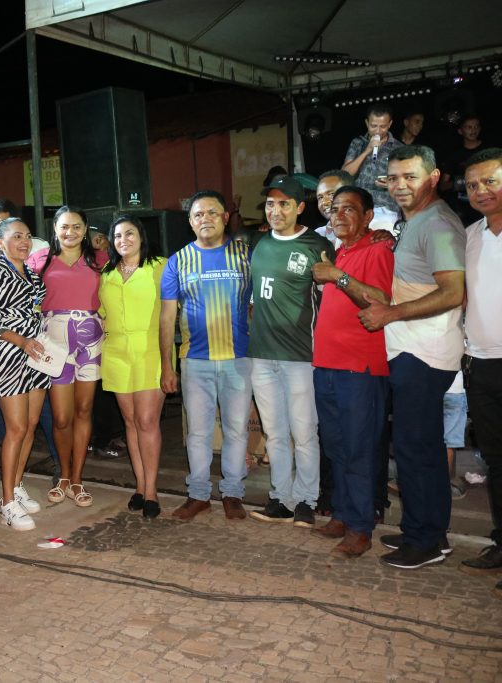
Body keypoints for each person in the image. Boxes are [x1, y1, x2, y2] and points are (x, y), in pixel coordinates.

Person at [357, 146, 466, 570]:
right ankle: (423, 528)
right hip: (411, 349)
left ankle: (427, 541)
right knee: (416, 447)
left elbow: (453, 292)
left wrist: (391, 313)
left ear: (433, 177)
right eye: (394, 177)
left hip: (424, 352)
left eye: (411, 176)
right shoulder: (417, 221)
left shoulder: (437, 223)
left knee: (417, 449)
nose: (400, 185)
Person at [310, 186, 395, 557]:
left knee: (359, 449)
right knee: (336, 446)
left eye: (349, 209)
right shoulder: (339, 250)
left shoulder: (378, 249)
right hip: (326, 365)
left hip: (360, 368)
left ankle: (361, 527)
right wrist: (335, 269)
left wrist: (336, 276)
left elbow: (380, 300)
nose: (339, 215)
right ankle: (343, 514)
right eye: (334, 209)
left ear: (368, 216)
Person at [161, 190, 253, 521]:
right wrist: (167, 365)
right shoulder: (177, 261)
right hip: (195, 361)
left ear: (226, 217)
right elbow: (166, 318)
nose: (205, 219)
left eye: (212, 212)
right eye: (198, 214)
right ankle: (198, 494)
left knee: (236, 430)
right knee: (198, 433)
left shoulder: (246, 256)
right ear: (190, 222)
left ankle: (232, 493)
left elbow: (259, 305)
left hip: (239, 359)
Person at [247, 176, 333, 529]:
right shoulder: (258, 243)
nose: (275, 210)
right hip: (261, 355)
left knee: (305, 433)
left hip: (300, 356)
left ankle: (307, 500)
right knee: (275, 433)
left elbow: (330, 303)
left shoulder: (317, 245)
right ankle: (280, 498)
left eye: (284, 204)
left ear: (299, 207)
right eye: (270, 204)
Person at [28, 206, 107, 508]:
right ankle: (62, 474)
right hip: (54, 341)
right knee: (61, 417)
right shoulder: (40, 259)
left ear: (86, 229)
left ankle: (76, 479)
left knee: (84, 410)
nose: (70, 232)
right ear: (55, 229)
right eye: (64, 226)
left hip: (90, 340)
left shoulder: (100, 259)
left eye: (76, 226)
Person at [0, 217, 52, 531]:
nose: (24, 241)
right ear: (0, 242)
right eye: (17, 236)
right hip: (9, 356)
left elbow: (37, 312)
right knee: (16, 428)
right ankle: (7, 502)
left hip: (35, 357)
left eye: (28, 236)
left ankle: (17, 485)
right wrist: (22, 341)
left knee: (31, 424)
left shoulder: (33, 275)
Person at [98, 214, 167, 517]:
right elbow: (102, 313)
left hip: (151, 350)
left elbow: (173, 309)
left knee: (147, 421)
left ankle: (151, 491)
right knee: (130, 422)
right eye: (117, 235)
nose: (123, 240)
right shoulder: (107, 272)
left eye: (129, 234)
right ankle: (140, 486)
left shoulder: (161, 266)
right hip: (116, 352)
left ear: (141, 236)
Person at [457, 148, 502, 594]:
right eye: (472, 185)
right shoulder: (470, 235)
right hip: (481, 366)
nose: (481, 191)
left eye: (491, 181)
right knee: (497, 462)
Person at [342, 104, 403, 232]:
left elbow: (406, 181)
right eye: (373, 126)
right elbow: (345, 174)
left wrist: (391, 183)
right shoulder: (357, 143)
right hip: (359, 206)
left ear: (390, 124)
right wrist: (367, 150)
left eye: (383, 126)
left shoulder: (399, 148)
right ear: (366, 123)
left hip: (386, 208)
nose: (378, 131)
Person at [442, 116, 486, 225]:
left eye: (476, 126)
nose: (473, 130)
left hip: (486, 206)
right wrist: (461, 182)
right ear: (460, 131)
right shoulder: (454, 155)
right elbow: (442, 186)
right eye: (469, 127)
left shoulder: (488, 151)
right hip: (461, 211)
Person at [314, 170, 355, 248]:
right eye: (320, 197)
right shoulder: (318, 236)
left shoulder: (374, 226)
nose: (324, 202)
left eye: (331, 194)